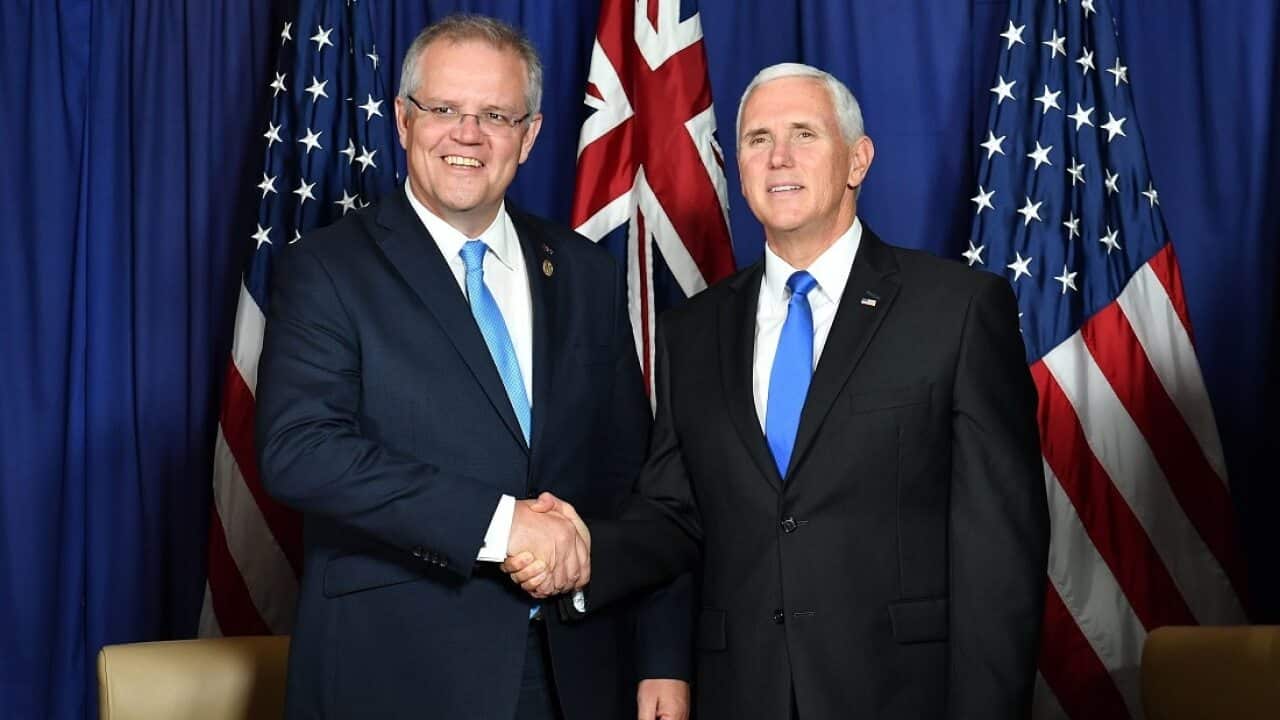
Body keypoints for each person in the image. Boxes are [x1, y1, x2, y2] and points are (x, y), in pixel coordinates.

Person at [507, 63, 1049, 719]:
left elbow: (999, 553)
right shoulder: (692, 332)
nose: (779, 157)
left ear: (858, 159)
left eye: (804, 134)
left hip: (904, 693)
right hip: (742, 692)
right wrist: (589, 549)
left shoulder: (957, 312)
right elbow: (676, 515)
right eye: (758, 139)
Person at [256, 14, 690, 720]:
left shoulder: (583, 272)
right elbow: (299, 450)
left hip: (577, 672)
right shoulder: (328, 269)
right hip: (396, 674)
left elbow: (640, 484)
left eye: (495, 114)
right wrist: (500, 525)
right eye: (445, 110)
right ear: (402, 120)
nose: (468, 134)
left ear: (531, 134)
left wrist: (663, 655)